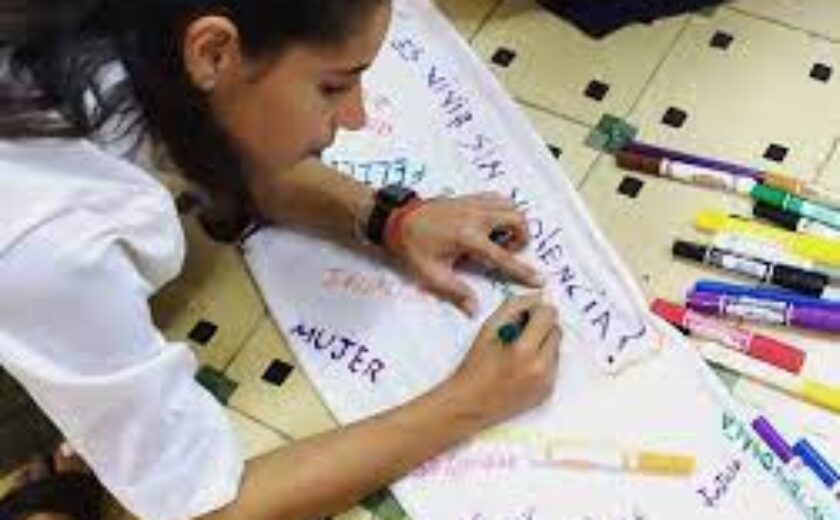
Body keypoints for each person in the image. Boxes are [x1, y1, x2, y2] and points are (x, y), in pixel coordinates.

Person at [0, 1, 563, 519]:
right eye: (333, 86)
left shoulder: (132, 37)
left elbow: (211, 143)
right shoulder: (56, 242)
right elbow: (207, 511)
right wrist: (470, 402)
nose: (357, 116)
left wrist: (392, 218)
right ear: (213, 52)